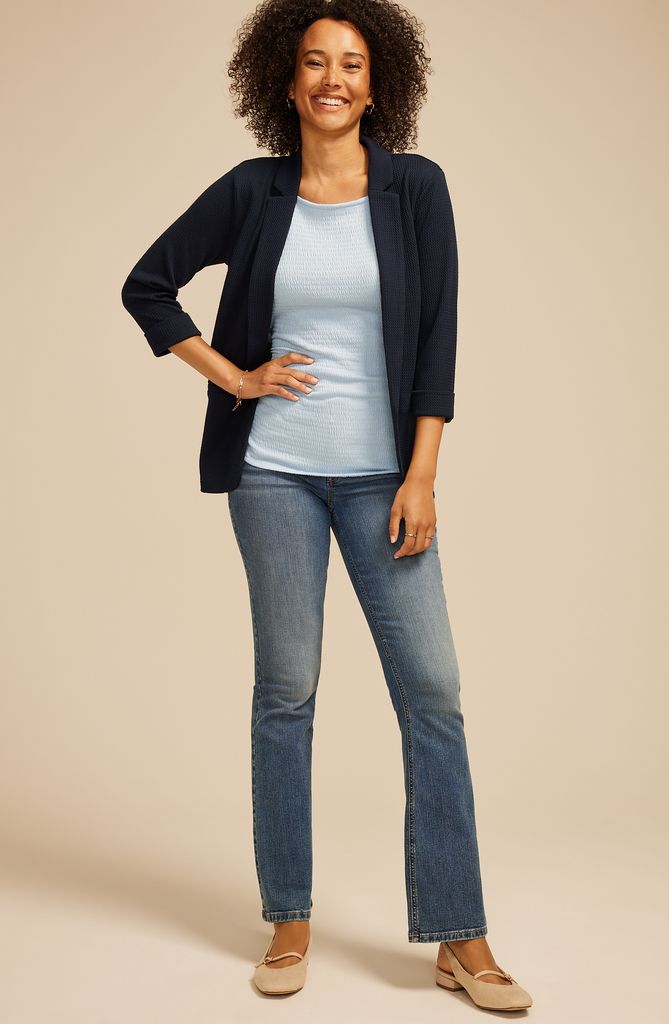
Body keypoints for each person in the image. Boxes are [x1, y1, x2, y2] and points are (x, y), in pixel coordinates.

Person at [121, 0, 532, 1010]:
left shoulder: (414, 188)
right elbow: (148, 284)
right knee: (287, 690)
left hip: (384, 478)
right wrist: (235, 376)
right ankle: (289, 919)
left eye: (350, 63)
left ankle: (459, 936)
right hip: (274, 476)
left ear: (377, 83)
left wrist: (421, 475)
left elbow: (436, 339)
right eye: (313, 62)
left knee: (431, 693)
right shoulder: (252, 191)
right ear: (285, 79)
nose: (332, 79)